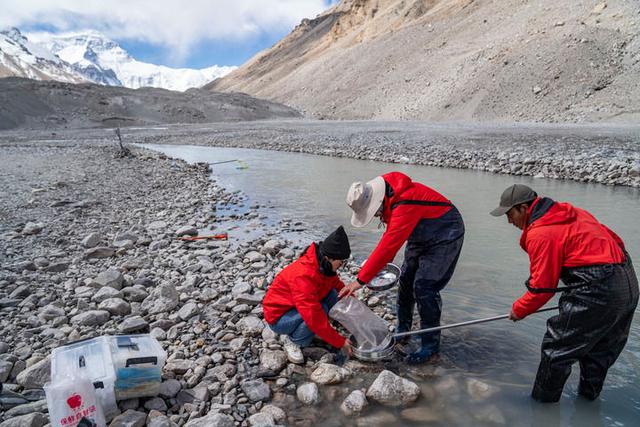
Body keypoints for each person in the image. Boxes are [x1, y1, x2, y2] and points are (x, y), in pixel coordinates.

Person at [490, 184, 638, 402]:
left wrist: (518, 310)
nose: (509, 221)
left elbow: (542, 289)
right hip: (627, 282)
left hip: (599, 288)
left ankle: (541, 410)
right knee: (599, 353)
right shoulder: (572, 212)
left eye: (509, 214)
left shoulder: (541, 232)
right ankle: (588, 402)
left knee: (556, 352)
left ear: (523, 208)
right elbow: (615, 240)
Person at [341, 172, 465, 364]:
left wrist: (360, 280)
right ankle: (403, 330)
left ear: (377, 201)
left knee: (425, 287)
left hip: (446, 233)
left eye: (374, 212)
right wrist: (371, 272)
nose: (375, 215)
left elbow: (389, 245)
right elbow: (389, 243)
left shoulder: (405, 203)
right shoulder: (390, 197)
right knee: (406, 281)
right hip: (420, 234)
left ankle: (430, 347)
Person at [263, 226, 352, 355]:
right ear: (329, 258)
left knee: (334, 293)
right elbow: (313, 316)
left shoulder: (323, 266)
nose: (341, 266)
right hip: (280, 317)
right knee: (321, 310)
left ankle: (329, 328)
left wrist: (356, 312)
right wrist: (340, 342)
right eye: (341, 262)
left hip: (296, 306)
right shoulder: (303, 275)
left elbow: (338, 286)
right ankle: (294, 341)